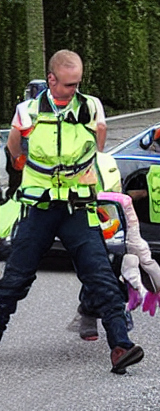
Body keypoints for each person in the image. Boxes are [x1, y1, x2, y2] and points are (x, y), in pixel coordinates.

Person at [2, 49, 143, 374]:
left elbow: (100, 144)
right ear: (51, 80)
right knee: (15, 280)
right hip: (39, 208)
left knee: (100, 275)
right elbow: (13, 147)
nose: (72, 90)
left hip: (78, 208)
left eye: (76, 84)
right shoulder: (28, 111)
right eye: (67, 84)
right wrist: (25, 166)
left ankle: (120, 347)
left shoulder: (91, 106)